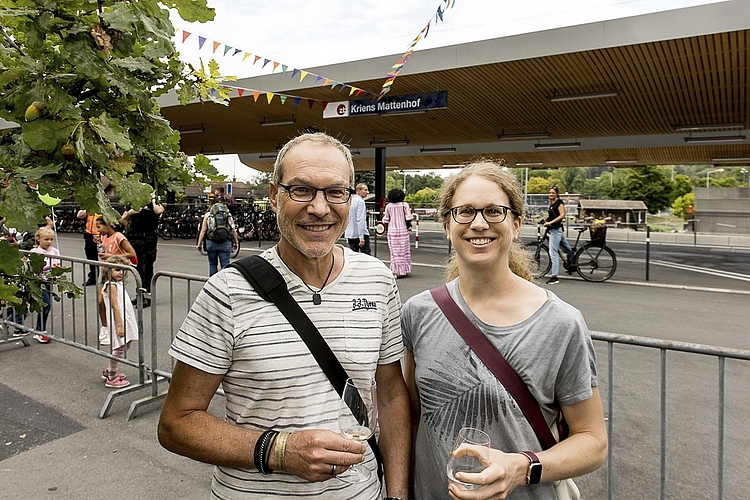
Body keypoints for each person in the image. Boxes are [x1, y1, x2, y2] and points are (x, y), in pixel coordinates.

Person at [158, 132, 411, 500]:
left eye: (335, 192)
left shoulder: (377, 279)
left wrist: (397, 494)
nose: (320, 208)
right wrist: (278, 451)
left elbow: (390, 396)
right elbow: (176, 424)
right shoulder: (227, 292)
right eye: (302, 190)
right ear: (275, 196)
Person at [401, 161, 607, 499]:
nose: (478, 224)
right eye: (464, 211)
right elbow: (412, 418)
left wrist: (521, 468)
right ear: (447, 224)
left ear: (516, 223)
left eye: (494, 211)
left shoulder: (560, 323)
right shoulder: (419, 312)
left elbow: (593, 441)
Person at [98, 255, 136, 388]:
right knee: (119, 347)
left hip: (125, 317)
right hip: (119, 320)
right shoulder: (111, 285)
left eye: (122, 270)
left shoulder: (118, 284)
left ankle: (110, 370)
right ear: (108, 271)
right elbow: (114, 306)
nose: (120, 273)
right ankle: (112, 375)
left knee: (126, 344)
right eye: (116, 270)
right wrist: (120, 325)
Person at [119, 195, 164, 308]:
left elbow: (159, 210)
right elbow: (121, 221)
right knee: (137, 268)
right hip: (134, 238)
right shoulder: (132, 203)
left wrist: (153, 198)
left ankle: (147, 296)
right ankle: (139, 294)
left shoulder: (152, 204)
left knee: (147, 268)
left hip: (148, 239)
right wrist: (130, 213)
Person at [29, 226, 61, 343]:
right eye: (46, 239)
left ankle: (40, 329)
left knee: (45, 306)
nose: (49, 242)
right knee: (46, 305)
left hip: (49, 281)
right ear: (38, 239)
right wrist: (48, 267)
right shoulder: (35, 252)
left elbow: (57, 263)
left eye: (51, 239)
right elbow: (34, 268)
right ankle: (39, 331)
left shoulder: (55, 251)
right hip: (38, 282)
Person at [196, 200, 239, 276]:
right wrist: (236, 242)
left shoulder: (207, 215)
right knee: (225, 265)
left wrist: (199, 244)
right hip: (225, 242)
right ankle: (224, 284)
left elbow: (203, 231)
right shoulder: (228, 215)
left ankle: (213, 283)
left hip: (211, 243)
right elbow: (233, 230)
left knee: (212, 264)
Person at [542, 186, 575, 285]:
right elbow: (553, 215)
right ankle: (572, 264)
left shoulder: (559, 202)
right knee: (567, 249)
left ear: (556, 193)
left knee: (553, 253)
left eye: (553, 193)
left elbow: (562, 215)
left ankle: (554, 276)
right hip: (553, 229)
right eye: (550, 193)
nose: (551, 194)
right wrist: (546, 220)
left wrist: (550, 222)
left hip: (556, 230)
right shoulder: (552, 204)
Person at [382, 188, 413, 278]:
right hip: (403, 231)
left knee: (394, 252)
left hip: (392, 232)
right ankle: (404, 270)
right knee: (405, 251)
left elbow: (386, 219)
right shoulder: (405, 205)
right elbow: (409, 217)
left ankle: (395, 271)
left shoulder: (388, 206)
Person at [344, 182, 371, 254]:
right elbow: (360, 219)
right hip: (360, 234)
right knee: (366, 257)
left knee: (353, 256)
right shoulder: (360, 202)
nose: (367, 192)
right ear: (359, 191)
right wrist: (361, 237)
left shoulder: (349, 200)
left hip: (350, 234)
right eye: (365, 190)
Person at [76, 209, 101, 286]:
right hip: (89, 236)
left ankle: (109, 278)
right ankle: (93, 277)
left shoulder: (103, 207)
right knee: (91, 257)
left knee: (104, 258)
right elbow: (79, 215)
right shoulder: (89, 208)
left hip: (100, 236)